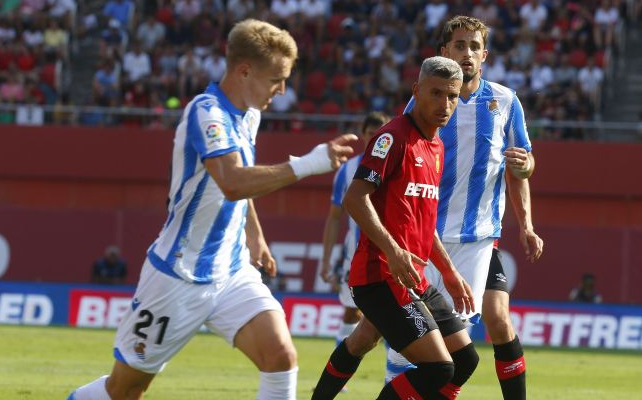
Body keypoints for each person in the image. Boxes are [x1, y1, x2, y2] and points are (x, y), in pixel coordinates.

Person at [67, 19, 356, 400]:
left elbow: (240, 182)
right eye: (276, 79)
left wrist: (254, 237)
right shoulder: (207, 113)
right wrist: (309, 163)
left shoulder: (250, 113)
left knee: (281, 357)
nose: (282, 90)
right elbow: (233, 182)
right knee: (124, 390)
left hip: (232, 270)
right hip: (177, 276)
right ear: (244, 70)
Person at [387, 16, 544, 400]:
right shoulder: (426, 99)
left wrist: (526, 221)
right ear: (445, 52)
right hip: (425, 239)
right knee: (408, 345)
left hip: (476, 239)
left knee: (455, 348)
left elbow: (522, 165)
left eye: (475, 47)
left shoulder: (506, 101)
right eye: (460, 46)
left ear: (485, 55)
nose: (468, 53)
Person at [311, 56, 479, 400]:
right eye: (436, 94)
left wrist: (447, 271)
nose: (444, 104)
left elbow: (424, 223)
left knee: (465, 359)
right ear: (417, 91)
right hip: (379, 277)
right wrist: (393, 250)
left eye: (452, 96)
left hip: (412, 276)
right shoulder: (392, 137)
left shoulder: (436, 146)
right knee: (438, 368)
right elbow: (356, 199)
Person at [319, 112, 390, 349]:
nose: (376, 139)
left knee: (397, 315)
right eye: (371, 134)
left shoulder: (399, 164)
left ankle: (396, 377)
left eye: (381, 134)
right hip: (356, 254)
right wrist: (326, 260)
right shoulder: (348, 170)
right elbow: (334, 217)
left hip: (392, 253)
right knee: (352, 313)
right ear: (363, 134)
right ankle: (341, 372)